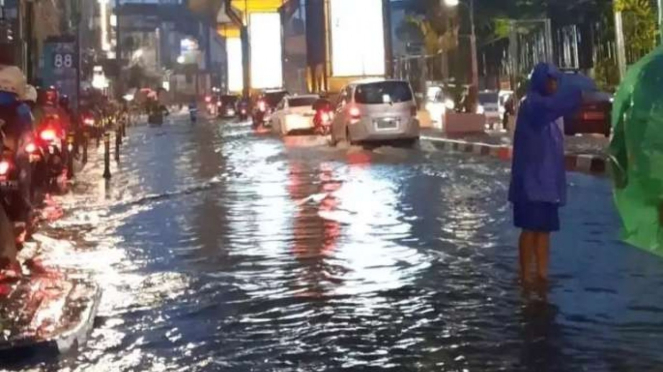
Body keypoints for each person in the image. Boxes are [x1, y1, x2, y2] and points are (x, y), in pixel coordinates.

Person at [509, 63, 581, 287]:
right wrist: (575, 92)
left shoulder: (551, 109)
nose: (553, 84)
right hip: (530, 180)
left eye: (556, 81)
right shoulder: (532, 104)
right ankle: (525, 275)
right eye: (550, 80)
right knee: (530, 229)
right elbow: (557, 107)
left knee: (544, 230)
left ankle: (542, 274)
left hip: (548, 181)